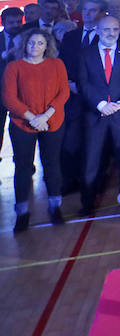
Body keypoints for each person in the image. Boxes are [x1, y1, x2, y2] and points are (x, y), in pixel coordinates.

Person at [3, 27, 69, 230]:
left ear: (47, 46)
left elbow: (64, 91)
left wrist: (46, 116)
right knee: (23, 167)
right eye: (32, 43)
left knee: (52, 165)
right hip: (22, 123)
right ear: (25, 44)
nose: (35, 47)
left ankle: (55, 206)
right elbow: (8, 98)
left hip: (53, 121)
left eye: (40, 43)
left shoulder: (57, 64)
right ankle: (22, 212)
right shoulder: (14, 67)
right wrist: (33, 118)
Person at [79, 14, 120, 214]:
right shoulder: (85, 54)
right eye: (106, 29)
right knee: (91, 159)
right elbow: (83, 83)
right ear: (97, 31)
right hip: (94, 114)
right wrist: (100, 105)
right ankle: (87, 203)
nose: (111, 33)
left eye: (115, 29)